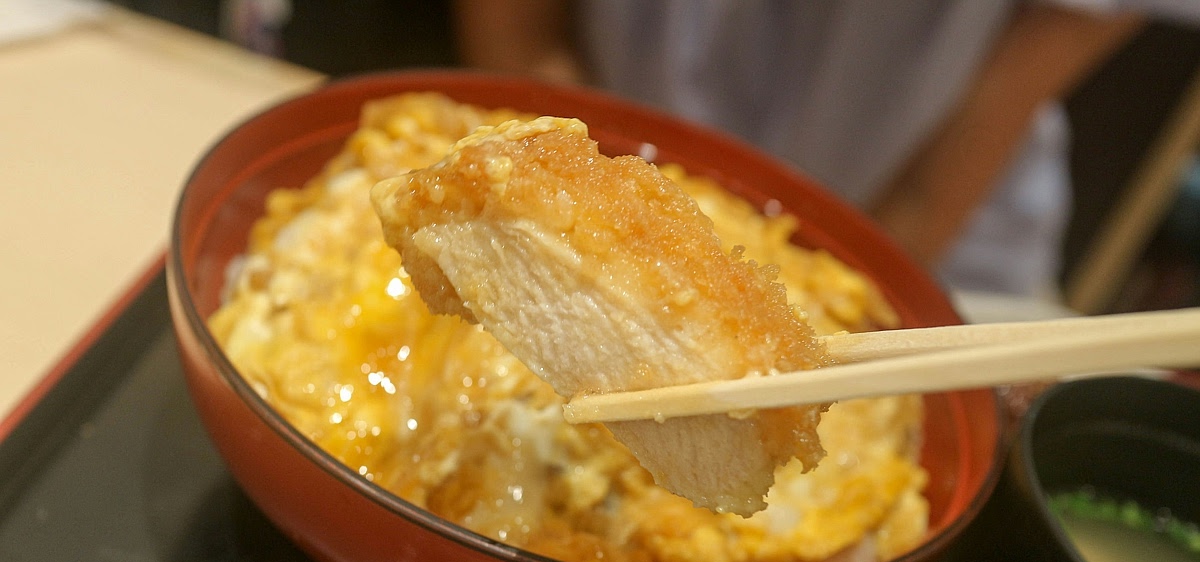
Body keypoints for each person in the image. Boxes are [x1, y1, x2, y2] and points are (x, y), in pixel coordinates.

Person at [451, 0, 1165, 301]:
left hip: (933, 252)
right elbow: (526, 47)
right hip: (596, 159)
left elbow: (924, 205)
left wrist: (809, 312)